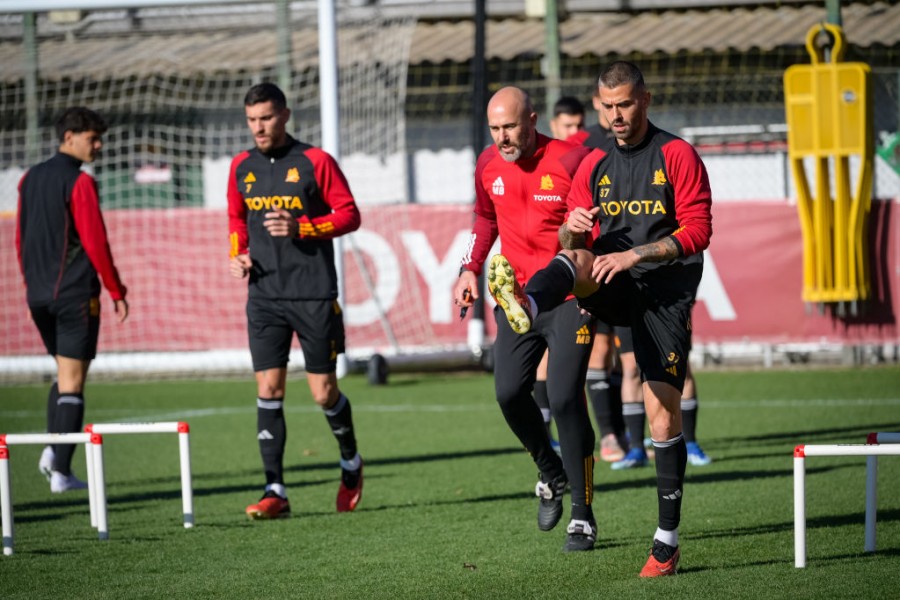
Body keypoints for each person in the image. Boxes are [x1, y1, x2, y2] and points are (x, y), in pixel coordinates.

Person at [488, 62, 712, 576]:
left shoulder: (676, 154)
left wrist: (638, 255)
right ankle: (529, 305)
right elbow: (573, 244)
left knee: (662, 416)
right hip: (607, 279)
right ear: (597, 106)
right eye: (608, 106)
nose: (617, 115)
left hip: (663, 292)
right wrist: (570, 227)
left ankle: (666, 540)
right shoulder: (592, 165)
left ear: (646, 100)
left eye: (626, 104)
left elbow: (699, 230)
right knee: (578, 259)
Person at [453, 86, 598, 552]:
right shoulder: (487, 165)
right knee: (509, 393)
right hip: (515, 299)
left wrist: (581, 238)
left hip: (568, 298)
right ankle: (550, 471)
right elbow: (483, 219)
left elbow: (598, 226)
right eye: (494, 128)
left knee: (563, 397)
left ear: (533, 120)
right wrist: (468, 269)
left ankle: (583, 513)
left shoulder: (573, 160)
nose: (502, 137)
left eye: (510, 126)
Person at [227, 82, 363, 520]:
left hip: (313, 293)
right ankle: (275, 491)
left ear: (285, 115)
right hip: (264, 295)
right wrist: (237, 254)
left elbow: (349, 214)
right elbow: (236, 219)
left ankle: (350, 463)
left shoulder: (316, 161)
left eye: (265, 118)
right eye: (251, 120)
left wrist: (303, 226)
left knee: (323, 393)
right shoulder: (241, 167)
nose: (258, 128)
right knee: (268, 390)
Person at [15, 107, 129, 493]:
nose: (98, 146)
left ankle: (52, 451)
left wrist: (32, 283)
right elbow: (96, 241)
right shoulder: (79, 183)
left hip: (38, 295)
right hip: (74, 295)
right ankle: (61, 472)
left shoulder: (29, 179)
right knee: (73, 382)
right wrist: (116, 290)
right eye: (92, 139)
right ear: (69, 137)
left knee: (63, 372)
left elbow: (20, 239)